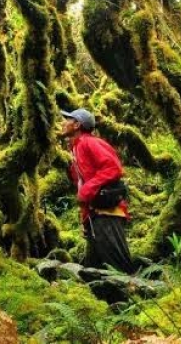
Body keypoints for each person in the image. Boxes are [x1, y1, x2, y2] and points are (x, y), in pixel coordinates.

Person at [60, 108, 135, 274]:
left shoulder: (90, 142)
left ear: (77, 125)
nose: (63, 123)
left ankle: (135, 293)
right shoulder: (74, 148)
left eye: (68, 119)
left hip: (108, 213)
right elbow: (80, 181)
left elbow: (113, 168)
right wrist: (85, 217)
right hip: (94, 215)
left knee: (118, 265)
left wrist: (86, 190)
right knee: (94, 268)